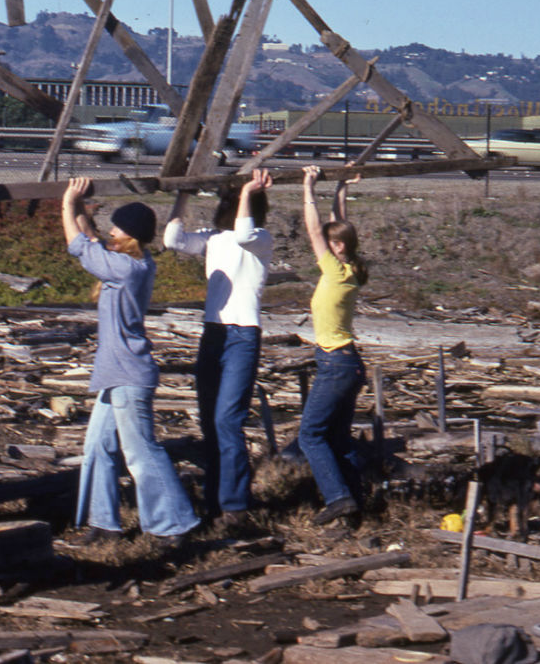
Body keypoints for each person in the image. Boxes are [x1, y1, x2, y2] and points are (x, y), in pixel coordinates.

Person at [62, 177, 199, 543]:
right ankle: (104, 524)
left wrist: (66, 201)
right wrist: (78, 209)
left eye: (116, 227)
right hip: (116, 374)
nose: (110, 230)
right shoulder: (130, 262)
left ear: (131, 236)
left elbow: (77, 245)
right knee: (96, 448)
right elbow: (90, 238)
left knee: (141, 453)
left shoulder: (125, 270)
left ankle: (176, 524)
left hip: (128, 374)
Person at [163, 170, 274, 525]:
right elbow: (172, 240)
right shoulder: (213, 239)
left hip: (242, 335)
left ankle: (235, 505)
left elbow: (243, 231)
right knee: (211, 420)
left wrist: (248, 192)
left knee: (228, 419)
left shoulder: (259, 239)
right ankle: (215, 500)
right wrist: (183, 193)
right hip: (214, 333)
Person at [298, 164, 369, 525]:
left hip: (335, 364)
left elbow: (315, 228)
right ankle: (356, 503)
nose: (323, 244)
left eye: (330, 241)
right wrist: (340, 187)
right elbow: (338, 223)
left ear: (336, 247)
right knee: (338, 440)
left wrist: (308, 188)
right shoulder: (350, 268)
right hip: (348, 364)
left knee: (309, 435)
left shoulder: (334, 269)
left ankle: (338, 498)